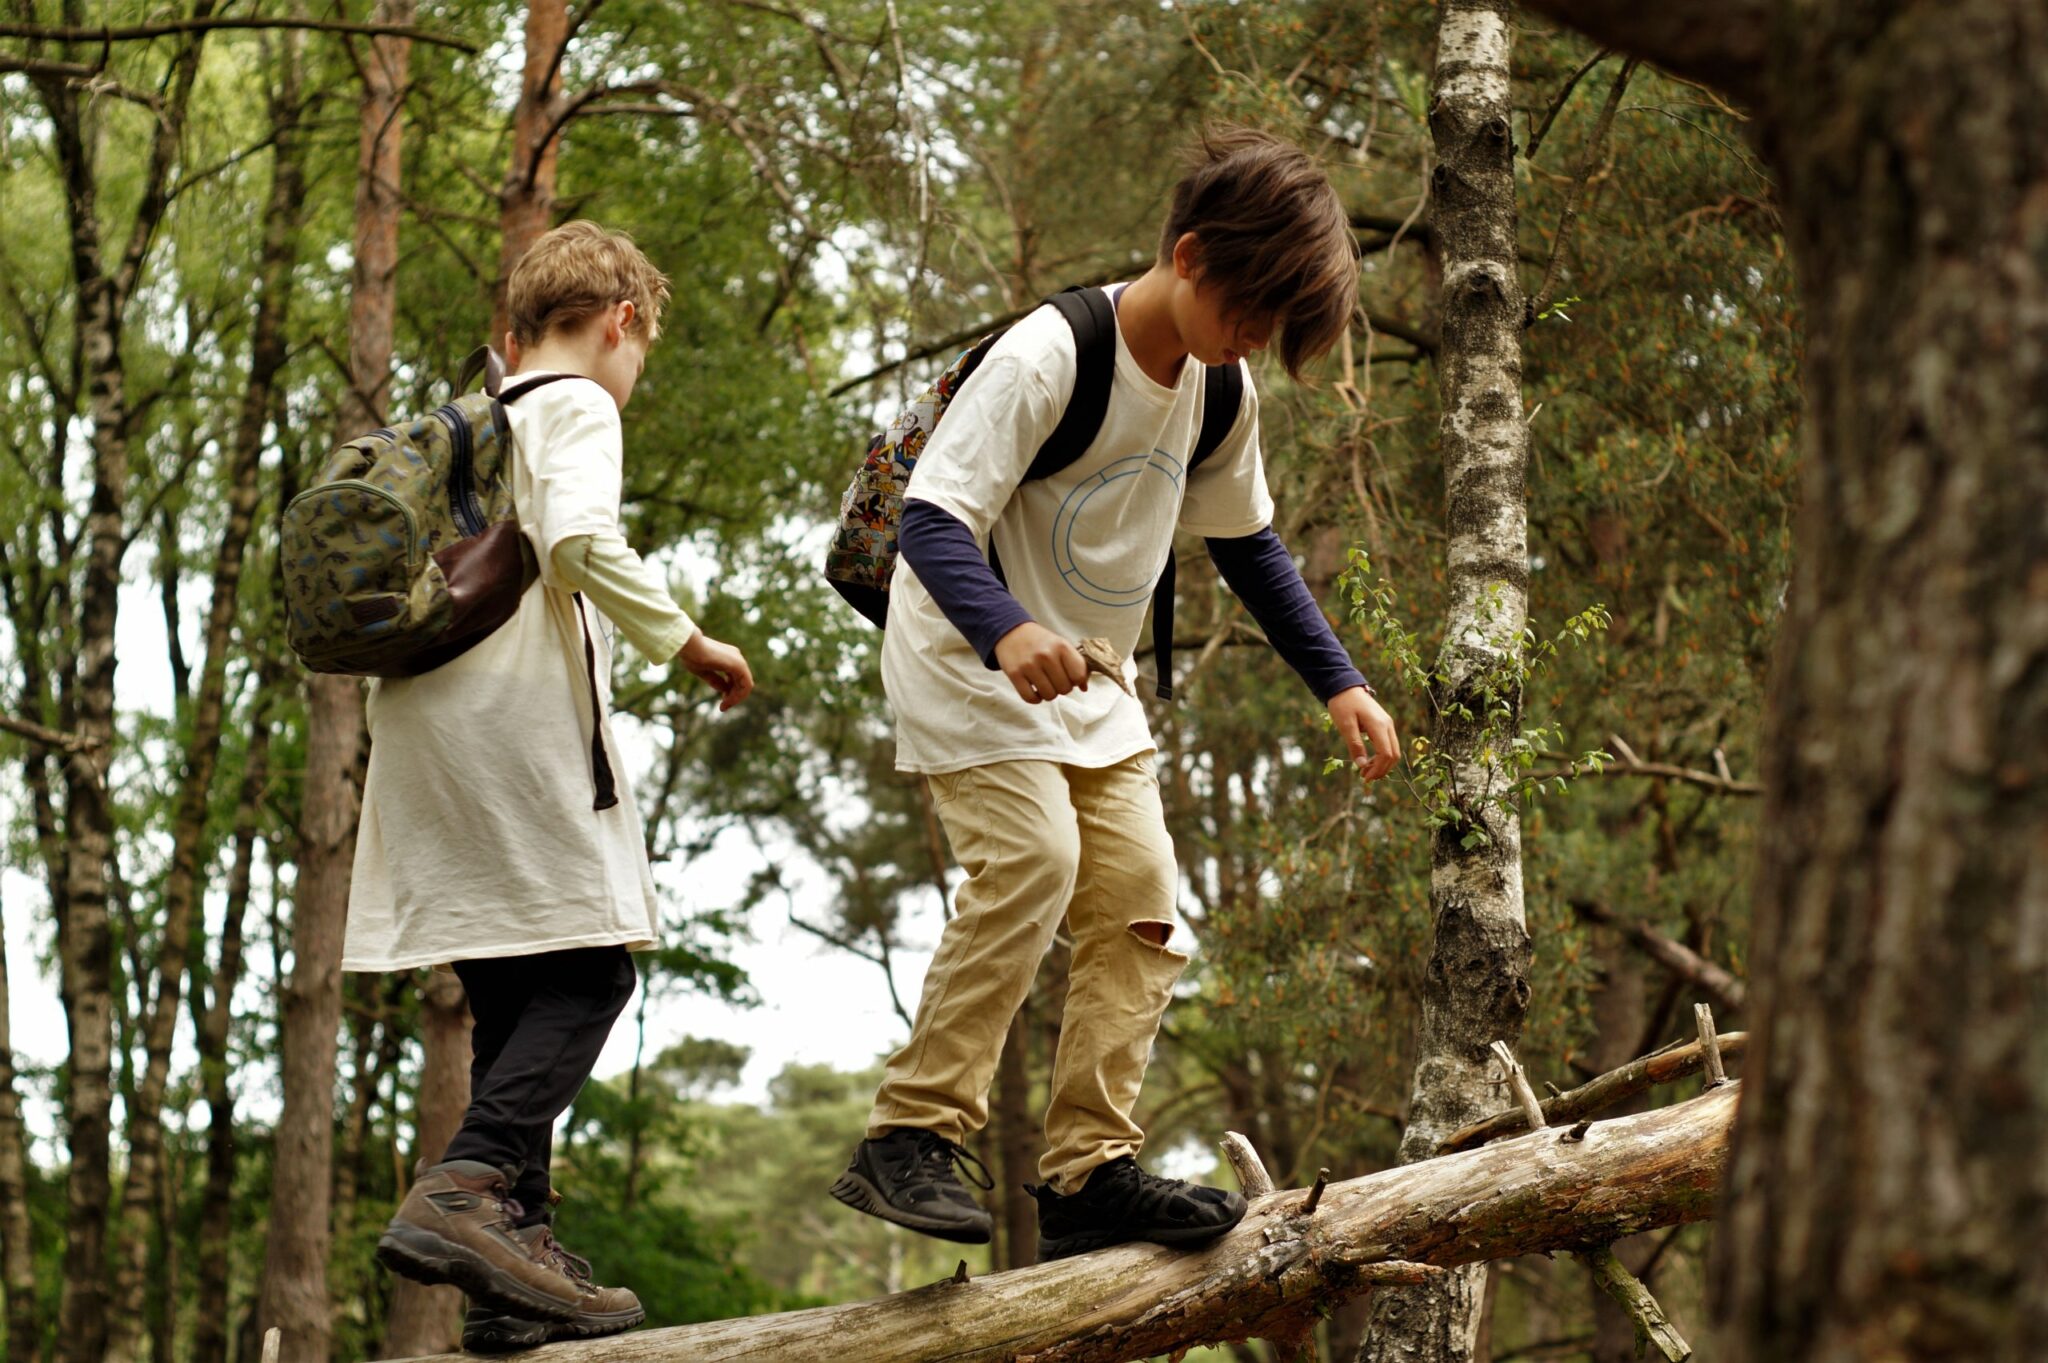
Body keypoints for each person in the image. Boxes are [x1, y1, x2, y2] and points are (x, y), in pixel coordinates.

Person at [830, 126, 1401, 1262]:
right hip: (960, 649)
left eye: (1269, 332)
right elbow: (933, 525)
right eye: (1248, 312)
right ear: (1188, 254)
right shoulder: (1051, 353)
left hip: (1087, 676)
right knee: (1033, 860)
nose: (1250, 342)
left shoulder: (1219, 384)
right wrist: (1007, 631)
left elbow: (1251, 546)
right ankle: (908, 1132)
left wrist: (1337, 680)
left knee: (1142, 899)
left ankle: (1088, 1171)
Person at [351, 220, 753, 1347]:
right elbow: (576, 539)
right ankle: (467, 1191)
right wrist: (689, 641)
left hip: (421, 734)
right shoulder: (572, 405)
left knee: (515, 1000)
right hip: (508, 734)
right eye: (641, 346)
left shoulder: (470, 427)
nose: (634, 372)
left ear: (510, 329)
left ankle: (507, 1272)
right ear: (620, 321)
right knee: (588, 978)